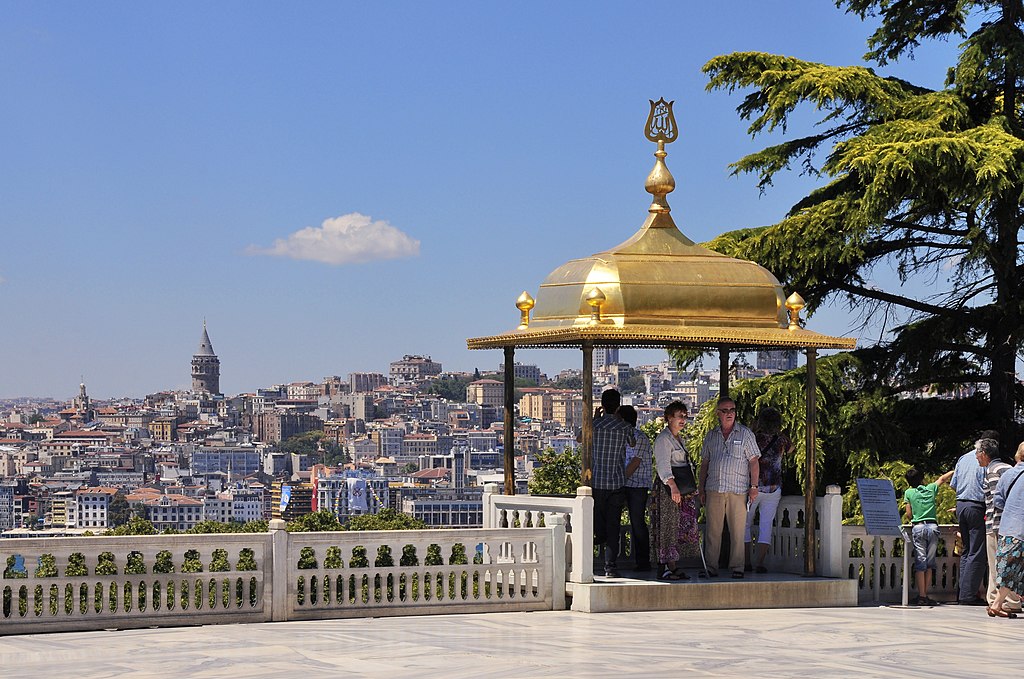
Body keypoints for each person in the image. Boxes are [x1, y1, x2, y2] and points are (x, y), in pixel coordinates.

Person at [699, 397, 760, 579]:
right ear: (718, 413)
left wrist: (754, 486)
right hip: (714, 489)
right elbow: (704, 464)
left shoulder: (745, 434)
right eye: (725, 410)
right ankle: (711, 566)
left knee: (738, 531)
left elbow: (754, 461)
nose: (729, 413)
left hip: (738, 490)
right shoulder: (711, 435)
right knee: (712, 531)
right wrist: (701, 488)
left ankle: (737, 567)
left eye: (732, 409)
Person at [650, 401, 700, 581]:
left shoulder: (679, 438)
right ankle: (663, 566)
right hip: (669, 489)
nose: (683, 420)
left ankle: (673, 565)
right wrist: (673, 487)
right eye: (680, 416)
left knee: (676, 528)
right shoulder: (664, 439)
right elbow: (663, 465)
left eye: (685, 416)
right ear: (669, 418)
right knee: (667, 526)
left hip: (680, 488)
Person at [950, 429, 998, 605]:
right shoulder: (987, 460)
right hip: (977, 506)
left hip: (961, 505)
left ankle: (962, 593)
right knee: (977, 552)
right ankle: (968, 596)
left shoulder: (963, 458)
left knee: (967, 551)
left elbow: (953, 484)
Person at [590, 388, 634, 578]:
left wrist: (594, 418)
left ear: (602, 405)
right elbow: (632, 443)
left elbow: (578, 438)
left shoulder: (595, 425)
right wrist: (620, 419)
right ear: (618, 406)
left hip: (597, 482)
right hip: (616, 483)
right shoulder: (623, 427)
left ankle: (599, 538)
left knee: (598, 520)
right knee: (613, 525)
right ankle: (610, 567)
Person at [743, 406, 793, 573]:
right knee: (766, 525)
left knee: (745, 524)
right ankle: (760, 563)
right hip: (774, 488)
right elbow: (792, 449)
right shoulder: (781, 440)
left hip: (754, 487)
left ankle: (747, 561)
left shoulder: (754, 438)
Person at [976, 437, 1022, 613]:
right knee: (1011, 564)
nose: (976, 457)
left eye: (977, 453)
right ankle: (1007, 601)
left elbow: (998, 501)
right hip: (1012, 525)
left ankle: (1000, 601)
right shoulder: (1008, 468)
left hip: (998, 524)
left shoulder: (993, 471)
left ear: (984, 454)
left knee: (997, 564)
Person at [902, 466, 954, 605]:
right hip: (933, 526)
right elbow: (942, 479)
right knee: (930, 563)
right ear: (922, 478)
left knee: (920, 562)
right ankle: (926, 595)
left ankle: (921, 596)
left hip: (918, 526)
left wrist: (913, 518)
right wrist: (954, 471)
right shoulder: (930, 488)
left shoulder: (909, 492)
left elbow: (908, 513)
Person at [987, 442, 1024, 618]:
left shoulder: (1008, 474)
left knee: (1009, 567)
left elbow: (998, 501)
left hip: (1008, 526)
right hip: (1020, 529)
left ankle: (996, 603)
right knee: (1013, 568)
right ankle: (996, 604)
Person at [618, 405, 652, 573]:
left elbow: (635, 463)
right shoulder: (624, 437)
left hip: (637, 485)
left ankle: (643, 561)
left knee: (637, 523)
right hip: (626, 483)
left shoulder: (639, 438)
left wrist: (618, 480)